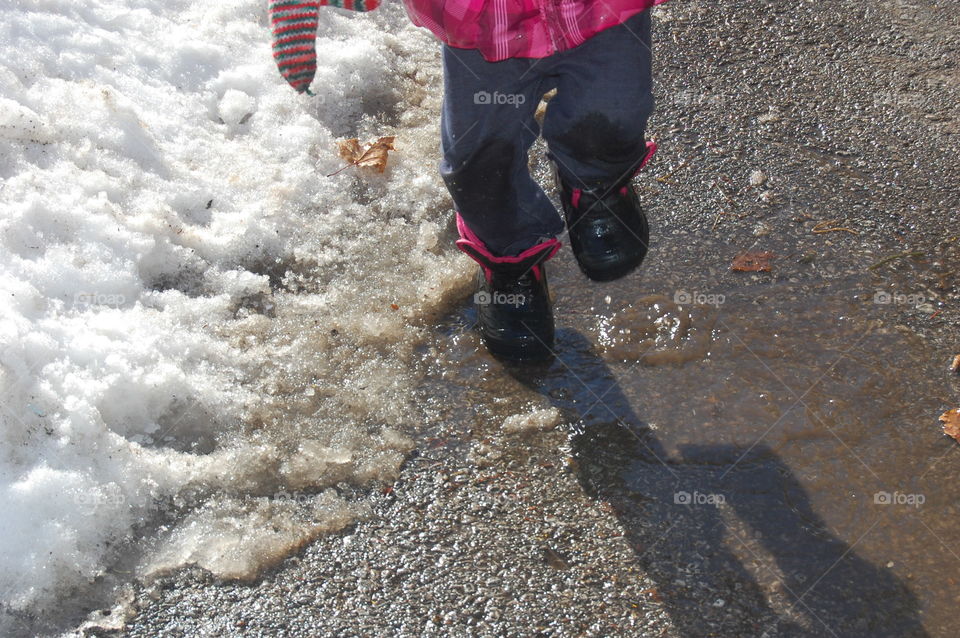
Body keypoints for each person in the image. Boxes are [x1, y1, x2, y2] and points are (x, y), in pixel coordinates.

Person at [270, 0, 667, 360]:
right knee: (479, 162)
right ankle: (510, 257)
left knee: (610, 112)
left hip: (602, 10)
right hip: (486, 23)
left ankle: (595, 185)